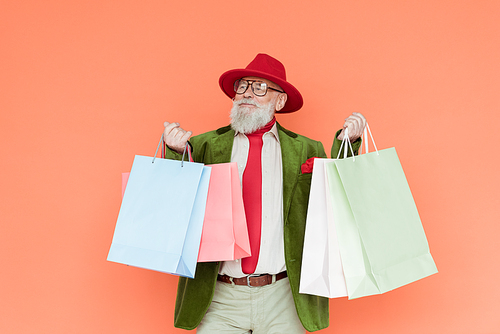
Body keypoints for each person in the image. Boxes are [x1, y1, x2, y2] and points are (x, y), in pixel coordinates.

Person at [163, 53, 366, 333]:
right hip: (219, 296)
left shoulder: (307, 149)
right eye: (243, 86)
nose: (247, 94)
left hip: (283, 295)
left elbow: (336, 202)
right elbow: (175, 202)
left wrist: (349, 144)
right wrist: (174, 152)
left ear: (279, 101)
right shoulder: (203, 145)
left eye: (259, 88)